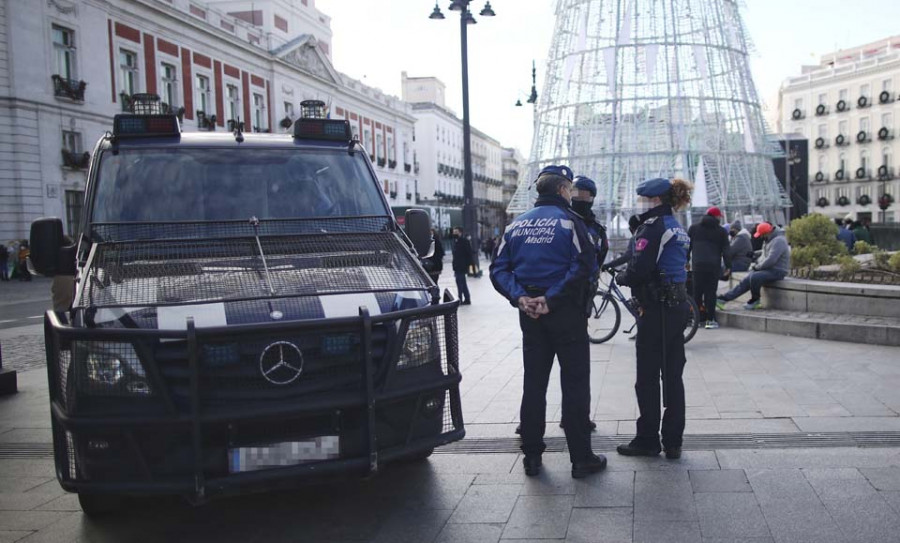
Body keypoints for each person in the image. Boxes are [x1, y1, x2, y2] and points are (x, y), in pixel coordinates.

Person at [490, 164, 607, 479]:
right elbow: (584, 265)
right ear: (562, 190)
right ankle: (582, 458)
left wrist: (520, 297)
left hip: (529, 314)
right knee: (575, 384)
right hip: (565, 312)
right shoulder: (570, 223)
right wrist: (551, 299)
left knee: (534, 384)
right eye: (570, 189)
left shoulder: (516, 225)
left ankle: (531, 456)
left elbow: (498, 269)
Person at [615, 177, 692, 460]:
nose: (640, 203)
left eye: (643, 199)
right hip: (677, 306)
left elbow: (640, 269)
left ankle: (648, 439)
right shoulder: (677, 227)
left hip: (657, 309)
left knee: (647, 377)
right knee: (673, 376)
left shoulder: (653, 227)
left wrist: (622, 277)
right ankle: (673, 441)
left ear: (655, 200)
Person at [716, 222, 790, 310]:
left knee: (755, 277)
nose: (761, 237)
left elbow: (771, 259)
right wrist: (754, 254)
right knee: (746, 280)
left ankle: (755, 300)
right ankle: (724, 299)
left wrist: (758, 267)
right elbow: (765, 252)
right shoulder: (769, 239)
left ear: (766, 233)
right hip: (768, 269)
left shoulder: (779, 241)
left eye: (761, 235)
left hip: (777, 270)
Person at [687, 206, 731, 329]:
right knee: (710, 293)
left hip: (698, 266)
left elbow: (686, 246)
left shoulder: (693, 228)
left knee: (697, 292)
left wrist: (685, 261)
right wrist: (728, 266)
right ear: (716, 217)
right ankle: (710, 320)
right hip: (713, 267)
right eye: (719, 217)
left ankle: (696, 319)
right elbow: (726, 250)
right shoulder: (721, 231)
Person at [571, 176, 609, 270]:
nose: (581, 200)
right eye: (577, 196)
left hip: (587, 281)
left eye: (586, 197)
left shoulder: (597, 229)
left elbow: (602, 253)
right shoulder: (562, 221)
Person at [451, 227, 473, 305]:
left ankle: (460, 299)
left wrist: (467, 265)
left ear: (460, 233)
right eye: (454, 232)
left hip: (462, 266)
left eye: (456, 232)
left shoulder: (464, 241)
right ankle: (466, 299)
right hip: (457, 266)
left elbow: (469, 254)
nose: (454, 234)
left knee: (460, 283)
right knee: (462, 283)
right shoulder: (455, 242)